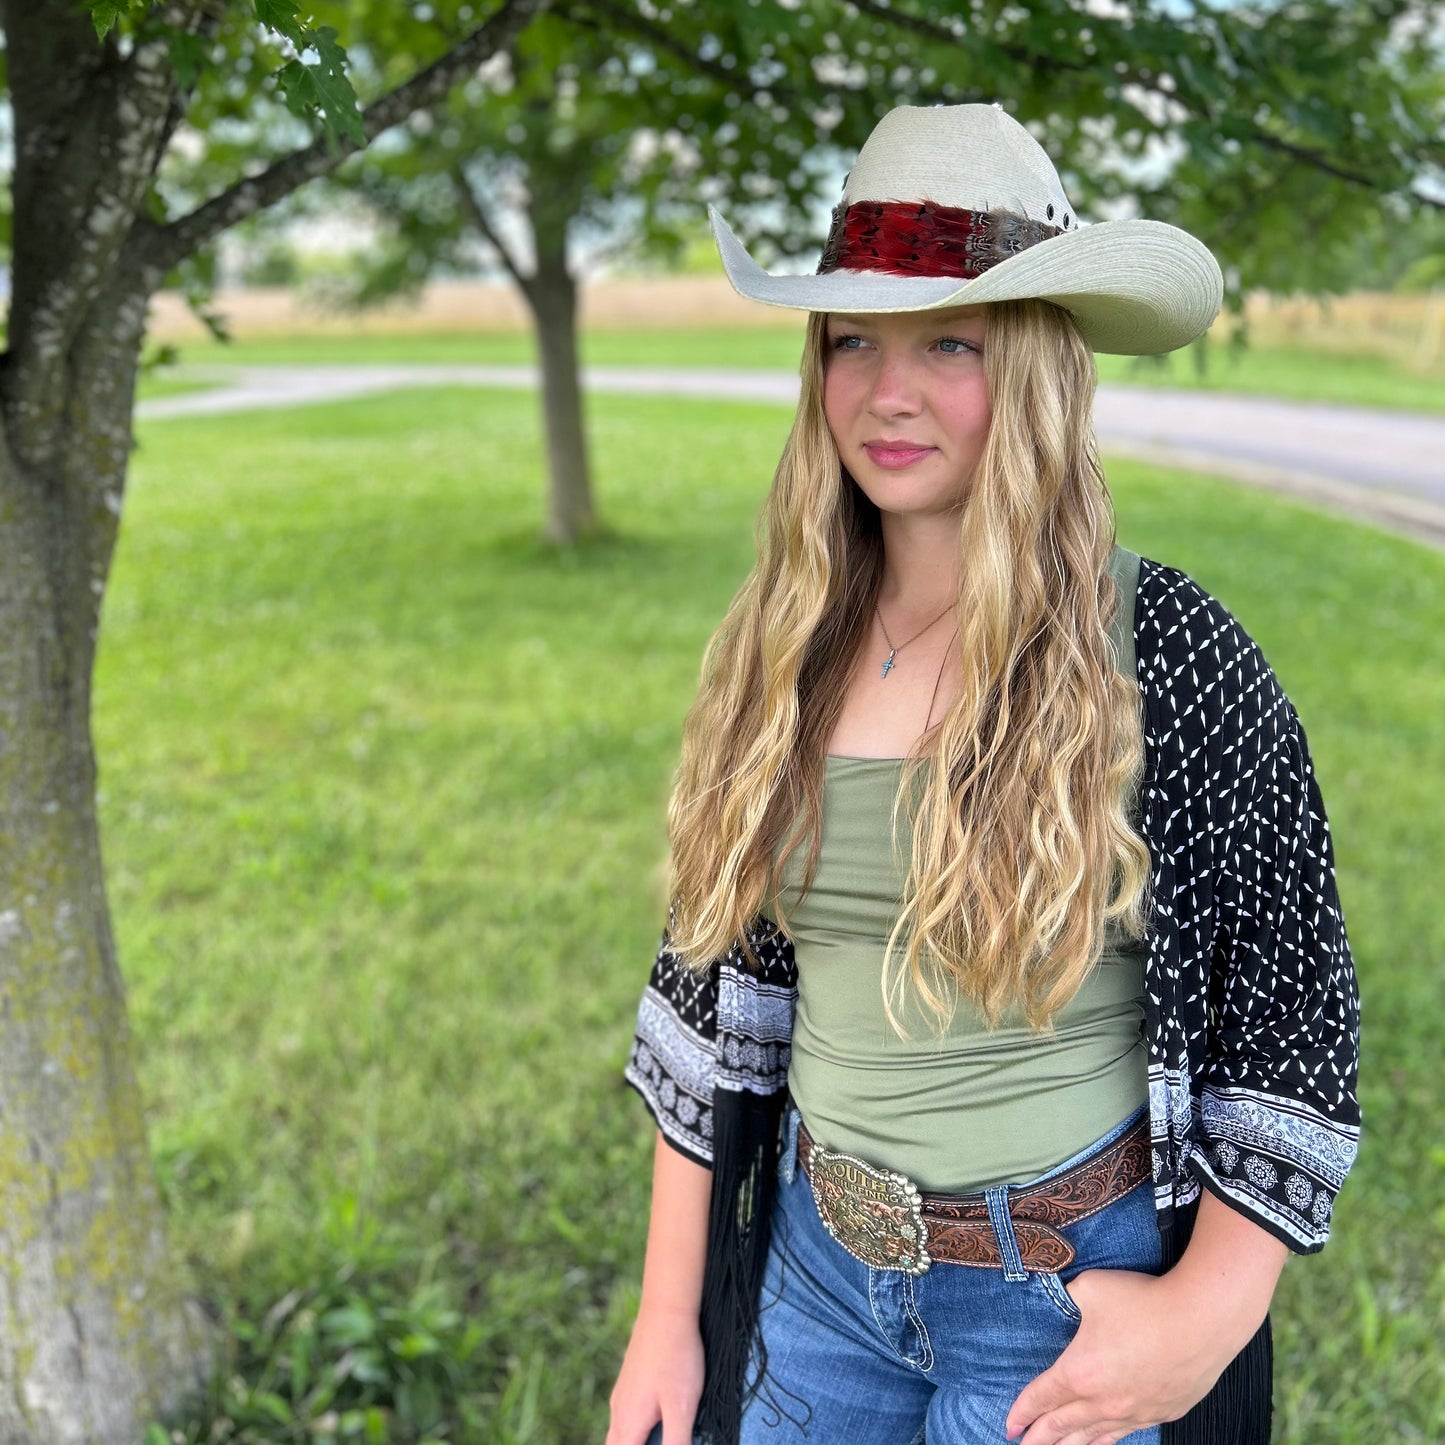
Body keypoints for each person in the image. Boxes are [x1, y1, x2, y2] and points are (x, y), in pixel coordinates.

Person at [607, 103, 1360, 1445]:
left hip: (1061, 1305)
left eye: (947, 341)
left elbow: (1292, 1009)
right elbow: (704, 993)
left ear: (1031, 369)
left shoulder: (1166, 651)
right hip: (818, 1283)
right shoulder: (781, 642)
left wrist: (1203, 1317)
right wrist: (668, 1318)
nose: (885, 392)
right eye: (852, 342)